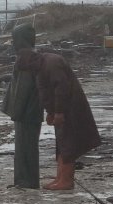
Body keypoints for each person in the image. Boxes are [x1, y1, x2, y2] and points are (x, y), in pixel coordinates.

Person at [15, 27, 101, 190]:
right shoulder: (40, 67)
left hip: (71, 107)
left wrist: (59, 112)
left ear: (29, 62)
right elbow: (44, 93)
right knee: (61, 144)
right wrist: (50, 112)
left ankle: (66, 181)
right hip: (60, 110)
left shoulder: (52, 63)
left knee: (68, 144)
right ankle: (60, 177)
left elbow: (61, 89)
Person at [1, 24, 44, 188]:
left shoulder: (25, 57)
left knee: (25, 148)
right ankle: (25, 180)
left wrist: (16, 111)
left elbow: (23, 89)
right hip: (31, 109)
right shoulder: (32, 55)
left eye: (14, 39)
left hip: (26, 111)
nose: (12, 43)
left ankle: (26, 182)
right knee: (27, 147)